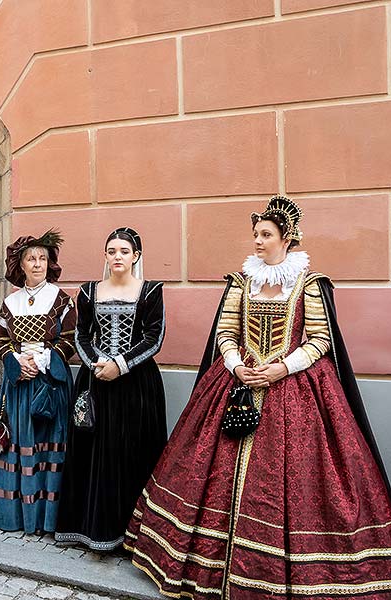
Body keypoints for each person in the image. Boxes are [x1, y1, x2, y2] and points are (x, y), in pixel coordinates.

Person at [125, 196, 391, 598]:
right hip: (238, 384)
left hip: (295, 390)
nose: (258, 241)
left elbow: (320, 340)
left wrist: (281, 368)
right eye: (255, 235)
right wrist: (235, 365)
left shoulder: (310, 284)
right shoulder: (240, 282)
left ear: (287, 239)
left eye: (266, 235)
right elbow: (225, 334)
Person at [55, 227, 166, 552]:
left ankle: (130, 533)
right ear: (105, 256)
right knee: (92, 454)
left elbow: (153, 338)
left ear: (136, 257)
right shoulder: (89, 291)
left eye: (124, 251)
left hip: (136, 387)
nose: (118, 256)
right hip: (95, 383)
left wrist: (120, 365)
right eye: (112, 251)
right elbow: (82, 335)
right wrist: (96, 364)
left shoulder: (150, 291)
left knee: (131, 452)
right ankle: (88, 528)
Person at [0, 230, 76, 533]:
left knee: (47, 445)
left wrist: (40, 361)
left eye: (42, 258)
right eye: (31, 259)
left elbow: (69, 341)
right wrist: (16, 361)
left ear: (49, 263)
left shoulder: (62, 300)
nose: (37, 264)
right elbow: (0, 340)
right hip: (18, 387)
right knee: (20, 444)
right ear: (21, 265)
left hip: (50, 386)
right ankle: (16, 516)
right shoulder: (10, 303)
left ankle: (46, 519)